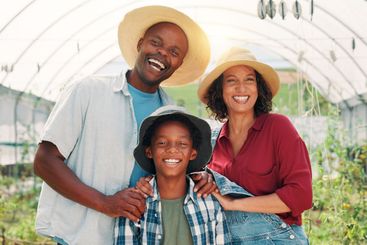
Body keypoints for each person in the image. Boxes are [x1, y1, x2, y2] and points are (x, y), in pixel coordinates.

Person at [33, 5, 211, 245]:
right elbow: (45, 161)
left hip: (137, 236)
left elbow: (171, 174)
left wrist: (199, 178)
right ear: (140, 44)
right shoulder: (89, 91)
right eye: (155, 43)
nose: (162, 54)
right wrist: (105, 203)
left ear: (178, 64)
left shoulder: (171, 115)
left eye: (173, 51)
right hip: (82, 236)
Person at [197, 47, 313, 244]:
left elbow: (301, 196)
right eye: (231, 80)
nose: (241, 88)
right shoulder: (213, 143)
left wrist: (234, 203)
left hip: (278, 240)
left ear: (258, 88)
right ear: (220, 90)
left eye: (249, 80)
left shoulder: (278, 127)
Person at [115, 105, 231, 245]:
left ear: (192, 153)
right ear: (149, 151)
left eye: (182, 143)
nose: (172, 149)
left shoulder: (210, 204)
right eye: (162, 142)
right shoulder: (133, 205)